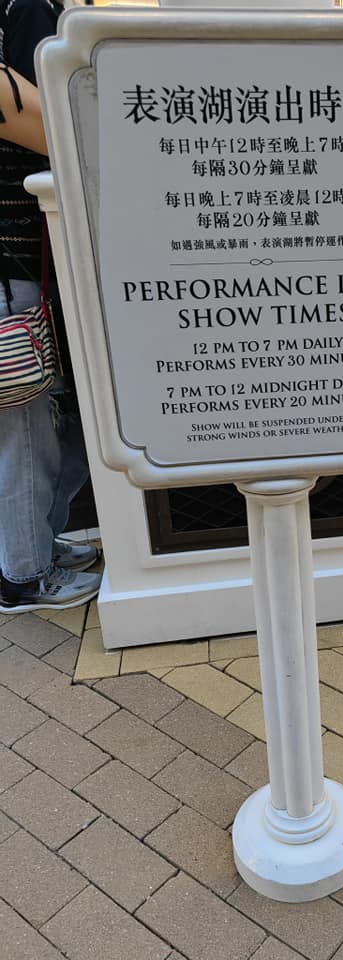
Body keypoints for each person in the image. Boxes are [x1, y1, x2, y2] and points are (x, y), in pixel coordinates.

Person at [0, 0, 100, 612]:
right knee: (26, 424)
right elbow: (58, 129)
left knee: (42, 419)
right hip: (11, 268)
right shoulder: (23, 9)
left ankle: (34, 543)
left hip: (23, 264)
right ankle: (24, 571)